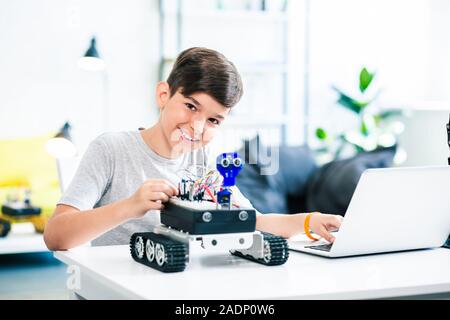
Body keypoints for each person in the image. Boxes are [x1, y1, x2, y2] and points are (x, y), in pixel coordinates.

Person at [44, 47, 342, 251]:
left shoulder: (207, 165)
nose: (198, 127)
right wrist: (131, 206)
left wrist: (308, 221)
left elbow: (254, 220)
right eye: (190, 107)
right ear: (164, 94)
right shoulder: (111, 149)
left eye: (213, 120)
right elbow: (56, 235)